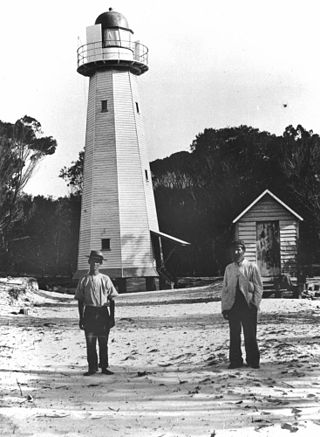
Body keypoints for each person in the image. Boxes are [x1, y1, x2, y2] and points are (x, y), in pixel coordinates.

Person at [75, 250, 118, 376]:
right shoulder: (84, 280)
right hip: (89, 312)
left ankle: (104, 366)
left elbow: (112, 299)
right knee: (90, 342)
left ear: (100, 264)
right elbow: (80, 301)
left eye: (98, 262)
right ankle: (92, 367)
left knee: (103, 342)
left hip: (103, 312)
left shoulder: (105, 279)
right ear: (89, 262)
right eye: (93, 261)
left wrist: (112, 317)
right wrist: (81, 318)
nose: (95, 264)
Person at [221, 240, 263, 369]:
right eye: (234, 249)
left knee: (250, 334)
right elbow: (225, 290)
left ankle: (253, 360)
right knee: (234, 334)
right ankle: (235, 361)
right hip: (233, 306)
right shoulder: (229, 268)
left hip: (248, 305)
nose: (236, 252)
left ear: (243, 251)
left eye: (239, 249)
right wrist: (225, 308)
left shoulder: (251, 267)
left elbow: (259, 287)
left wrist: (254, 304)